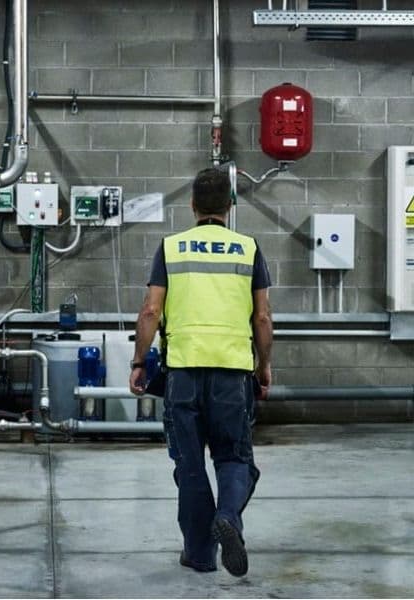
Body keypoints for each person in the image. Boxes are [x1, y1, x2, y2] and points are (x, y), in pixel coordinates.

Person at [129, 167, 273, 577]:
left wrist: (140, 363)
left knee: (189, 465)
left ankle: (198, 554)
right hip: (232, 373)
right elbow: (262, 319)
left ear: (192, 205)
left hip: (183, 374)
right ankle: (228, 515)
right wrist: (264, 368)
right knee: (233, 458)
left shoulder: (171, 247)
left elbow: (151, 310)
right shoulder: (248, 249)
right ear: (230, 205)